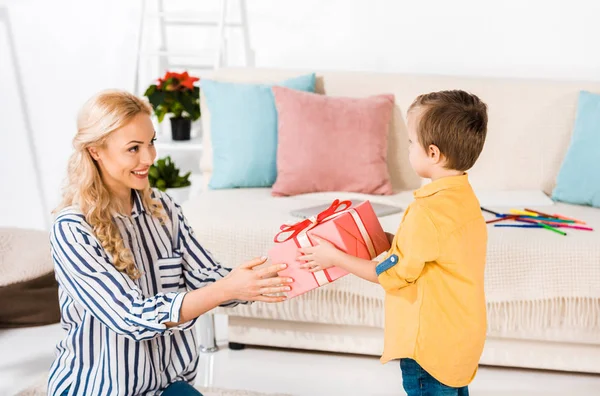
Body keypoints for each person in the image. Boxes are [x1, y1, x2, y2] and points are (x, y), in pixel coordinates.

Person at [47, 89, 294, 396]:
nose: (149, 158)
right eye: (133, 149)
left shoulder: (162, 208)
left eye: (151, 142)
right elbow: (129, 316)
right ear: (96, 151)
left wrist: (269, 275)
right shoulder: (72, 229)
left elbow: (207, 277)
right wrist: (226, 288)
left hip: (166, 387)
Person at [299, 90, 488, 396]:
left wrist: (332, 256)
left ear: (433, 153)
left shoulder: (425, 212)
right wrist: (386, 240)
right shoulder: (463, 199)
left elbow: (388, 275)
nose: (408, 148)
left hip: (430, 349)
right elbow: (432, 252)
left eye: (412, 143)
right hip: (460, 339)